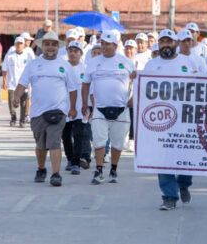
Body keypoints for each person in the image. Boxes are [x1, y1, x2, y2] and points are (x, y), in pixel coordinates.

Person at [14, 31, 77, 187]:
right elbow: (22, 83)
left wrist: (73, 108)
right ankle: (41, 168)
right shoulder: (33, 64)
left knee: (55, 142)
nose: (50, 47)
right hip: (37, 113)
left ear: (58, 47)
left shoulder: (65, 65)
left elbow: (72, 89)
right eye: (47, 44)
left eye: (53, 44)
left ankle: (56, 174)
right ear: (42, 46)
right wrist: (16, 97)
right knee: (41, 145)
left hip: (58, 111)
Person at [143, 29, 197, 211]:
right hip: (160, 120)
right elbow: (144, 91)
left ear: (176, 43)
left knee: (185, 158)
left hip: (184, 118)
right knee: (163, 158)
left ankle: (184, 184)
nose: (166, 44)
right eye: (162, 41)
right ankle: (169, 196)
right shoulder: (150, 65)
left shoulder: (188, 62)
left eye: (169, 41)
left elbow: (202, 85)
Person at [82, 30, 134, 185]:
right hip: (100, 108)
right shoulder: (93, 62)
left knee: (117, 144)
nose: (104, 47)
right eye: (102, 43)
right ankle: (98, 170)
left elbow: (138, 81)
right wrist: (85, 103)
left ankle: (114, 169)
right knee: (99, 142)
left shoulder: (126, 62)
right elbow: (85, 84)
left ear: (115, 45)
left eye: (108, 44)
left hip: (121, 109)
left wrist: (134, 99)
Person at [61, 41, 91, 175]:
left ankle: (76, 163)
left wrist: (88, 105)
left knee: (79, 135)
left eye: (76, 51)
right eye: (70, 50)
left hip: (81, 108)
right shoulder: (62, 67)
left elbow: (90, 89)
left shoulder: (86, 69)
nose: (72, 53)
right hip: (64, 108)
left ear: (81, 54)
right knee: (65, 135)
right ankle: (69, 158)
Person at [1, 37, 33, 127]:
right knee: (11, 104)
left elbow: (31, 70)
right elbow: (4, 68)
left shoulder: (28, 56)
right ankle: (13, 117)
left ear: (24, 45)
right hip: (12, 84)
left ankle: (22, 120)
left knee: (23, 103)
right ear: (15, 45)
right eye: (17, 44)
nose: (19, 45)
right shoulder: (9, 55)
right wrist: (4, 81)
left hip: (24, 84)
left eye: (21, 44)